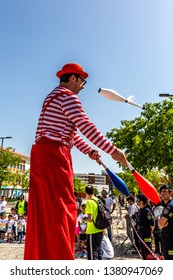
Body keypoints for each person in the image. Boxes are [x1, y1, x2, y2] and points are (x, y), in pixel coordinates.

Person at [24, 62, 128, 260]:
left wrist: (88, 150)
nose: (83, 86)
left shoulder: (52, 97)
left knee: (45, 213)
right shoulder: (68, 97)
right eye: (83, 81)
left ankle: (42, 258)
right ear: (73, 78)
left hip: (43, 155)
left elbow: (72, 133)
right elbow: (86, 126)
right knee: (63, 210)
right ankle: (60, 259)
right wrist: (112, 150)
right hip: (54, 155)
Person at [85, 185, 103, 260]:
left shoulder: (89, 202)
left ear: (86, 192)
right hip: (100, 229)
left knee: (92, 253)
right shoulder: (98, 200)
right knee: (98, 251)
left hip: (92, 230)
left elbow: (90, 219)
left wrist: (84, 219)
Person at [136, 194, 155, 260]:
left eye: (138, 200)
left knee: (147, 252)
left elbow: (152, 224)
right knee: (143, 252)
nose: (136, 202)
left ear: (141, 202)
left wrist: (150, 233)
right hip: (141, 233)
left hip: (146, 234)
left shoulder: (147, 211)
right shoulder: (141, 210)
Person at [158, 184, 173, 260]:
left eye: (165, 191)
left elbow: (160, 223)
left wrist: (161, 225)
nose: (162, 193)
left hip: (170, 240)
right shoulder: (167, 205)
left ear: (171, 193)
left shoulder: (170, 206)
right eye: (161, 192)